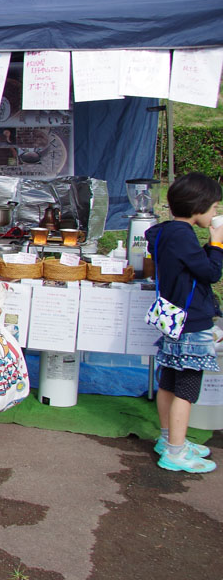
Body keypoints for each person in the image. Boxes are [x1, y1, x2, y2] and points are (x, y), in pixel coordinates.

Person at [145, 172, 223, 473]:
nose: (215, 213)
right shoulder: (183, 235)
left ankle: (169, 439)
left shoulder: (165, 232)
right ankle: (176, 452)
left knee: (168, 381)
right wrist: (216, 243)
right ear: (198, 207)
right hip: (191, 323)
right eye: (214, 208)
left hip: (173, 319)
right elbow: (211, 273)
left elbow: (189, 265)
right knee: (187, 389)